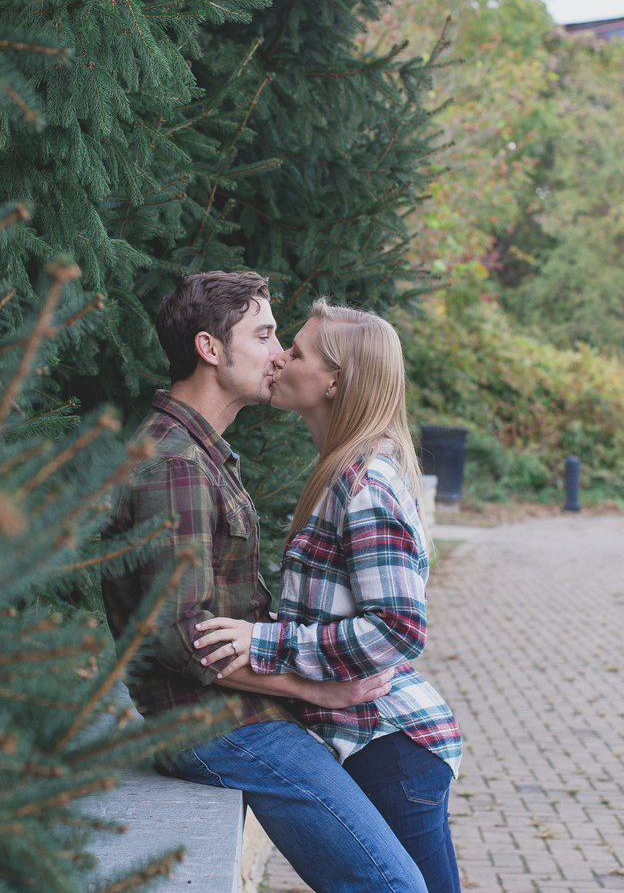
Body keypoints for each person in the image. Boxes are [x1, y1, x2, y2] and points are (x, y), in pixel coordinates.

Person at [101, 272, 429, 893]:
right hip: (218, 726)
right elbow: (180, 637)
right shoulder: (174, 464)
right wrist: (319, 693)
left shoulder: (201, 455)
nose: (279, 353)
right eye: (265, 333)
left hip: (239, 715)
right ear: (210, 349)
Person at [193, 299, 463, 893]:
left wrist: (264, 642)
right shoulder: (339, 473)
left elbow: (396, 629)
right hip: (371, 743)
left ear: (334, 381)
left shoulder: (366, 483)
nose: (280, 358)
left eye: (298, 351)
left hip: (391, 747)